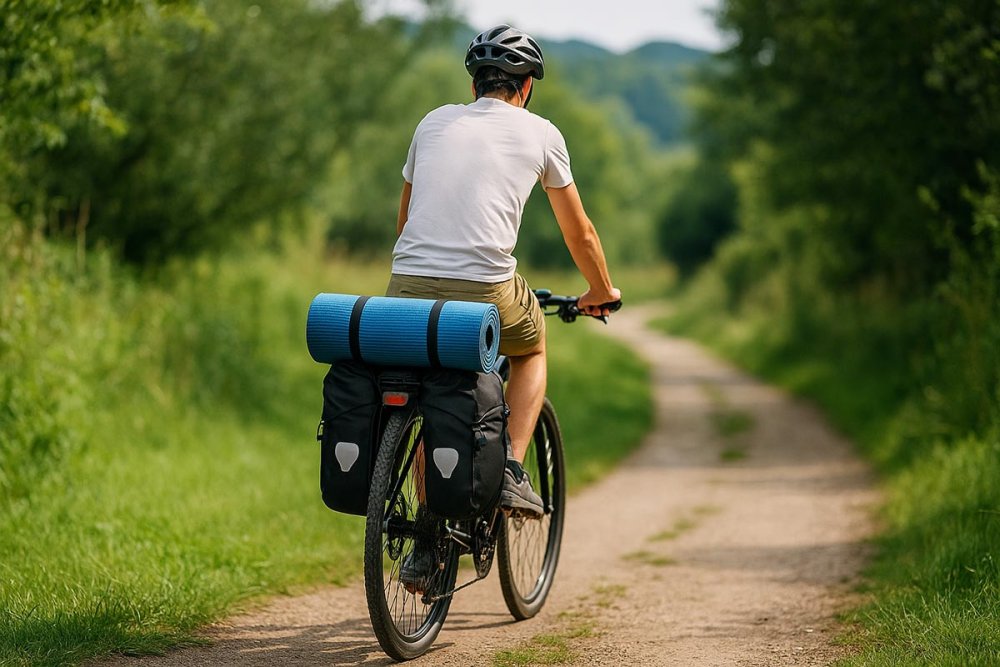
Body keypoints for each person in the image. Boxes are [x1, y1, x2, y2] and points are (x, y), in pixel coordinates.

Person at [388, 25, 620, 588]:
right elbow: (580, 233)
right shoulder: (542, 134)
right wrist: (600, 291)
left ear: (474, 83)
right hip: (487, 289)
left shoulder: (431, 122)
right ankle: (512, 466)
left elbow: (406, 219)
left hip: (405, 286)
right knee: (532, 346)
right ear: (526, 87)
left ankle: (424, 538)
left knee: (423, 386)